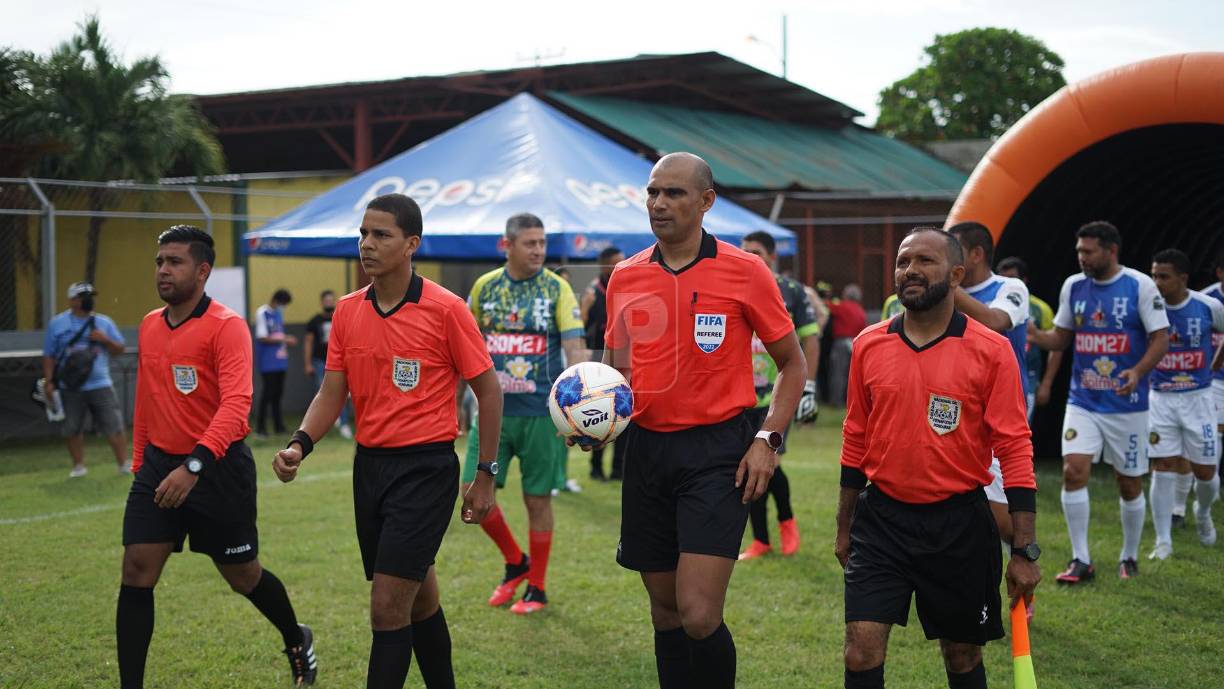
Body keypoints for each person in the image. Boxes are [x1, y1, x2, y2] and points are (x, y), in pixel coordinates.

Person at [272, 194, 502, 689]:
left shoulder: (446, 309)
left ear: (411, 244)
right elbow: (332, 391)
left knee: (386, 609)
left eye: (381, 235)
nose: (366, 245)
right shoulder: (349, 311)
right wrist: (299, 444)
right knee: (420, 599)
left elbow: (488, 389)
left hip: (425, 470)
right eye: (363, 234)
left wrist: (485, 474)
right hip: (370, 469)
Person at [597, 152, 805, 689]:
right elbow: (615, 371)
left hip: (717, 453)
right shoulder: (624, 276)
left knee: (698, 614)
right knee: (664, 612)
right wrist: (591, 416)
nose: (659, 203)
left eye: (674, 193)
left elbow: (793, 363)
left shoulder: (745, 271)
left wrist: (768, 439)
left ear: (706, 202)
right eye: (652, 192)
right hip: (645, 451)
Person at [837, 227, 1040, 689]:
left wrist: (1025, 549)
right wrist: (844, 525)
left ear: (956, 275)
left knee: (962, 654)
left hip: (959, 524)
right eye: (903, 262)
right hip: (882, 520)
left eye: (925, 261)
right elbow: (854, 437)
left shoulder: (991, 351)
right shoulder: (869, 344)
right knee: (860, 647)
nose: (910, 270)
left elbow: (1014, 448)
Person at [118, 226, 316, 688]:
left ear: (202, 271)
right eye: (159, 261)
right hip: (159, 468)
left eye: (175, 262)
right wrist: (140, 463)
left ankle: (295, 637)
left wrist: (194, 466)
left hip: (218, 471)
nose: (163, 270)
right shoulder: (150, 324)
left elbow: (236, 406)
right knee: (137, 570)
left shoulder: (227, 327)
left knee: (243, 576)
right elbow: (147, 398)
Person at [1029, 221, 1169, 583]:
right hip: (1083, 400)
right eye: (1079, 251)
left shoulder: (1139, 285)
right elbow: (1061, 338)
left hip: (1128, 404)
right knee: (1073, 471)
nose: (1081, 258)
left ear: (1111, 251)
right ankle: (1081, 559)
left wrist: (1137, 372)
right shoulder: (1073, 286)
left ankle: (1130, 555)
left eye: (1088, 251)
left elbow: (1160, 339)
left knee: (1129, 483)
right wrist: (1034, 335)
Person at [462, 212, 586, 615]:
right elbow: (466, 344)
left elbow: (574, 349)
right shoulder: (485, 287)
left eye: (542, 243)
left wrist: (576, 407)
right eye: (530, 243)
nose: (538, 251)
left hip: (539, 413)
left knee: (537, 501)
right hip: (492, 412)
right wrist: (461, 400)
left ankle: (537, 587)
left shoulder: (558, 288)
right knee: (470, 497)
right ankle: (516, 561)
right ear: (508, 245)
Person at [738, 230, 821, 559]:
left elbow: (810, 340)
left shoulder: (790, 291)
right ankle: (760, 539)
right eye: (745, 251)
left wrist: (809, 387)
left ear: (772, 256)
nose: (750, 256)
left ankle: (787, 523)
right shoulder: (733, 284)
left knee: (771, 461)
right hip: (743, 396)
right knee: (745, 466)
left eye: (756, 251)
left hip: (777, 396)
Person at [948, 222, 1031, 546]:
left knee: (1001, 521)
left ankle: (1022, 575)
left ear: (976, 254)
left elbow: (996, 322)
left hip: (998, 417)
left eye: (953, 253)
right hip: (954, 413)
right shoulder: (940, 297)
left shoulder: (1009, 288)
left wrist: (948, 288)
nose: (946, 261)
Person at [1146, 249, 1224, 559]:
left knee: (1206, 472)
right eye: (1153, 275)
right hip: (1161, 399)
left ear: (1183, 278)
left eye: (1163, 276)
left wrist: (1214, 366)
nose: (1157, 282)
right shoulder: (1148, 306)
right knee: (1162, 467)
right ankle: (1163, 541)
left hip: (1199, 399)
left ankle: (1202, 512)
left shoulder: (1208, 305)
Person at [41, 281, 128, 477]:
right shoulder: (57, 323)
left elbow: (120, 349)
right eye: (83, 297)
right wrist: (49, 381)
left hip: (100, 383)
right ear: (72, 300)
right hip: (70, 385)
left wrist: (105, 339)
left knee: (113, 424)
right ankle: (78, 466)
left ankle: (123, 464)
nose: (89, 301)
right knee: (72, 426)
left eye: (90, 297)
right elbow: (49, 354)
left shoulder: (104, 322)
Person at [581, 245, 627, 481]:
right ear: (604, 265)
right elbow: (582, 324)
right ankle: (596, 466)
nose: (620, 265)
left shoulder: (627, 287)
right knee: (600, 413)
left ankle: (619, 468)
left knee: (623, 414)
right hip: (599, 359)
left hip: (623, 358)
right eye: (616, 262)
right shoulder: (593, 291)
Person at [996, 257, 1060, 418]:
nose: (1007, 283)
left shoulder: (1041, 308)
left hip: (1028, 377)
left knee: (1019, 430)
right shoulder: (989, 304)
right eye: (1003, 279)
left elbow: (1057, 345)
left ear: (1024, 280)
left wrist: (1046, 383)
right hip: (995, 374)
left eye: (1012, 278)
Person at [304, 290, 353, 439]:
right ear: (322, 302)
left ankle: (344, 423)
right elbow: (308, 342)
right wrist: (307, 363)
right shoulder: (314, 321)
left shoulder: (340, 317)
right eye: (326, 300)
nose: (329, 303)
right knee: (324, 392)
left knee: (341, 392)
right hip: (320, 361)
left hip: (339, 361)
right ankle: (319, 428)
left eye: (331, 300)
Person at [254, 289, 297, 437]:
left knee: (278, 394)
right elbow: (262, 337)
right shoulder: (263, 313)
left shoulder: (278, 315)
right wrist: (284, 339)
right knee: (268, 393)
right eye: (283, 304)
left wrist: (284, 340)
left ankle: (279, 426)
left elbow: (278, 334)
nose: (283, 307)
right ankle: (260, 428)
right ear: (277, 301)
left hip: (280, 361)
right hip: (268, 362)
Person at [828, 284, 867, 406]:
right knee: (850, 374)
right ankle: (849, 401)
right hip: (854, 343)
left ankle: (836, 401)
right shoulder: (861, 311)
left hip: (840, 342)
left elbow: (827, 306)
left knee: (838, 372)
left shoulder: (843, 306)